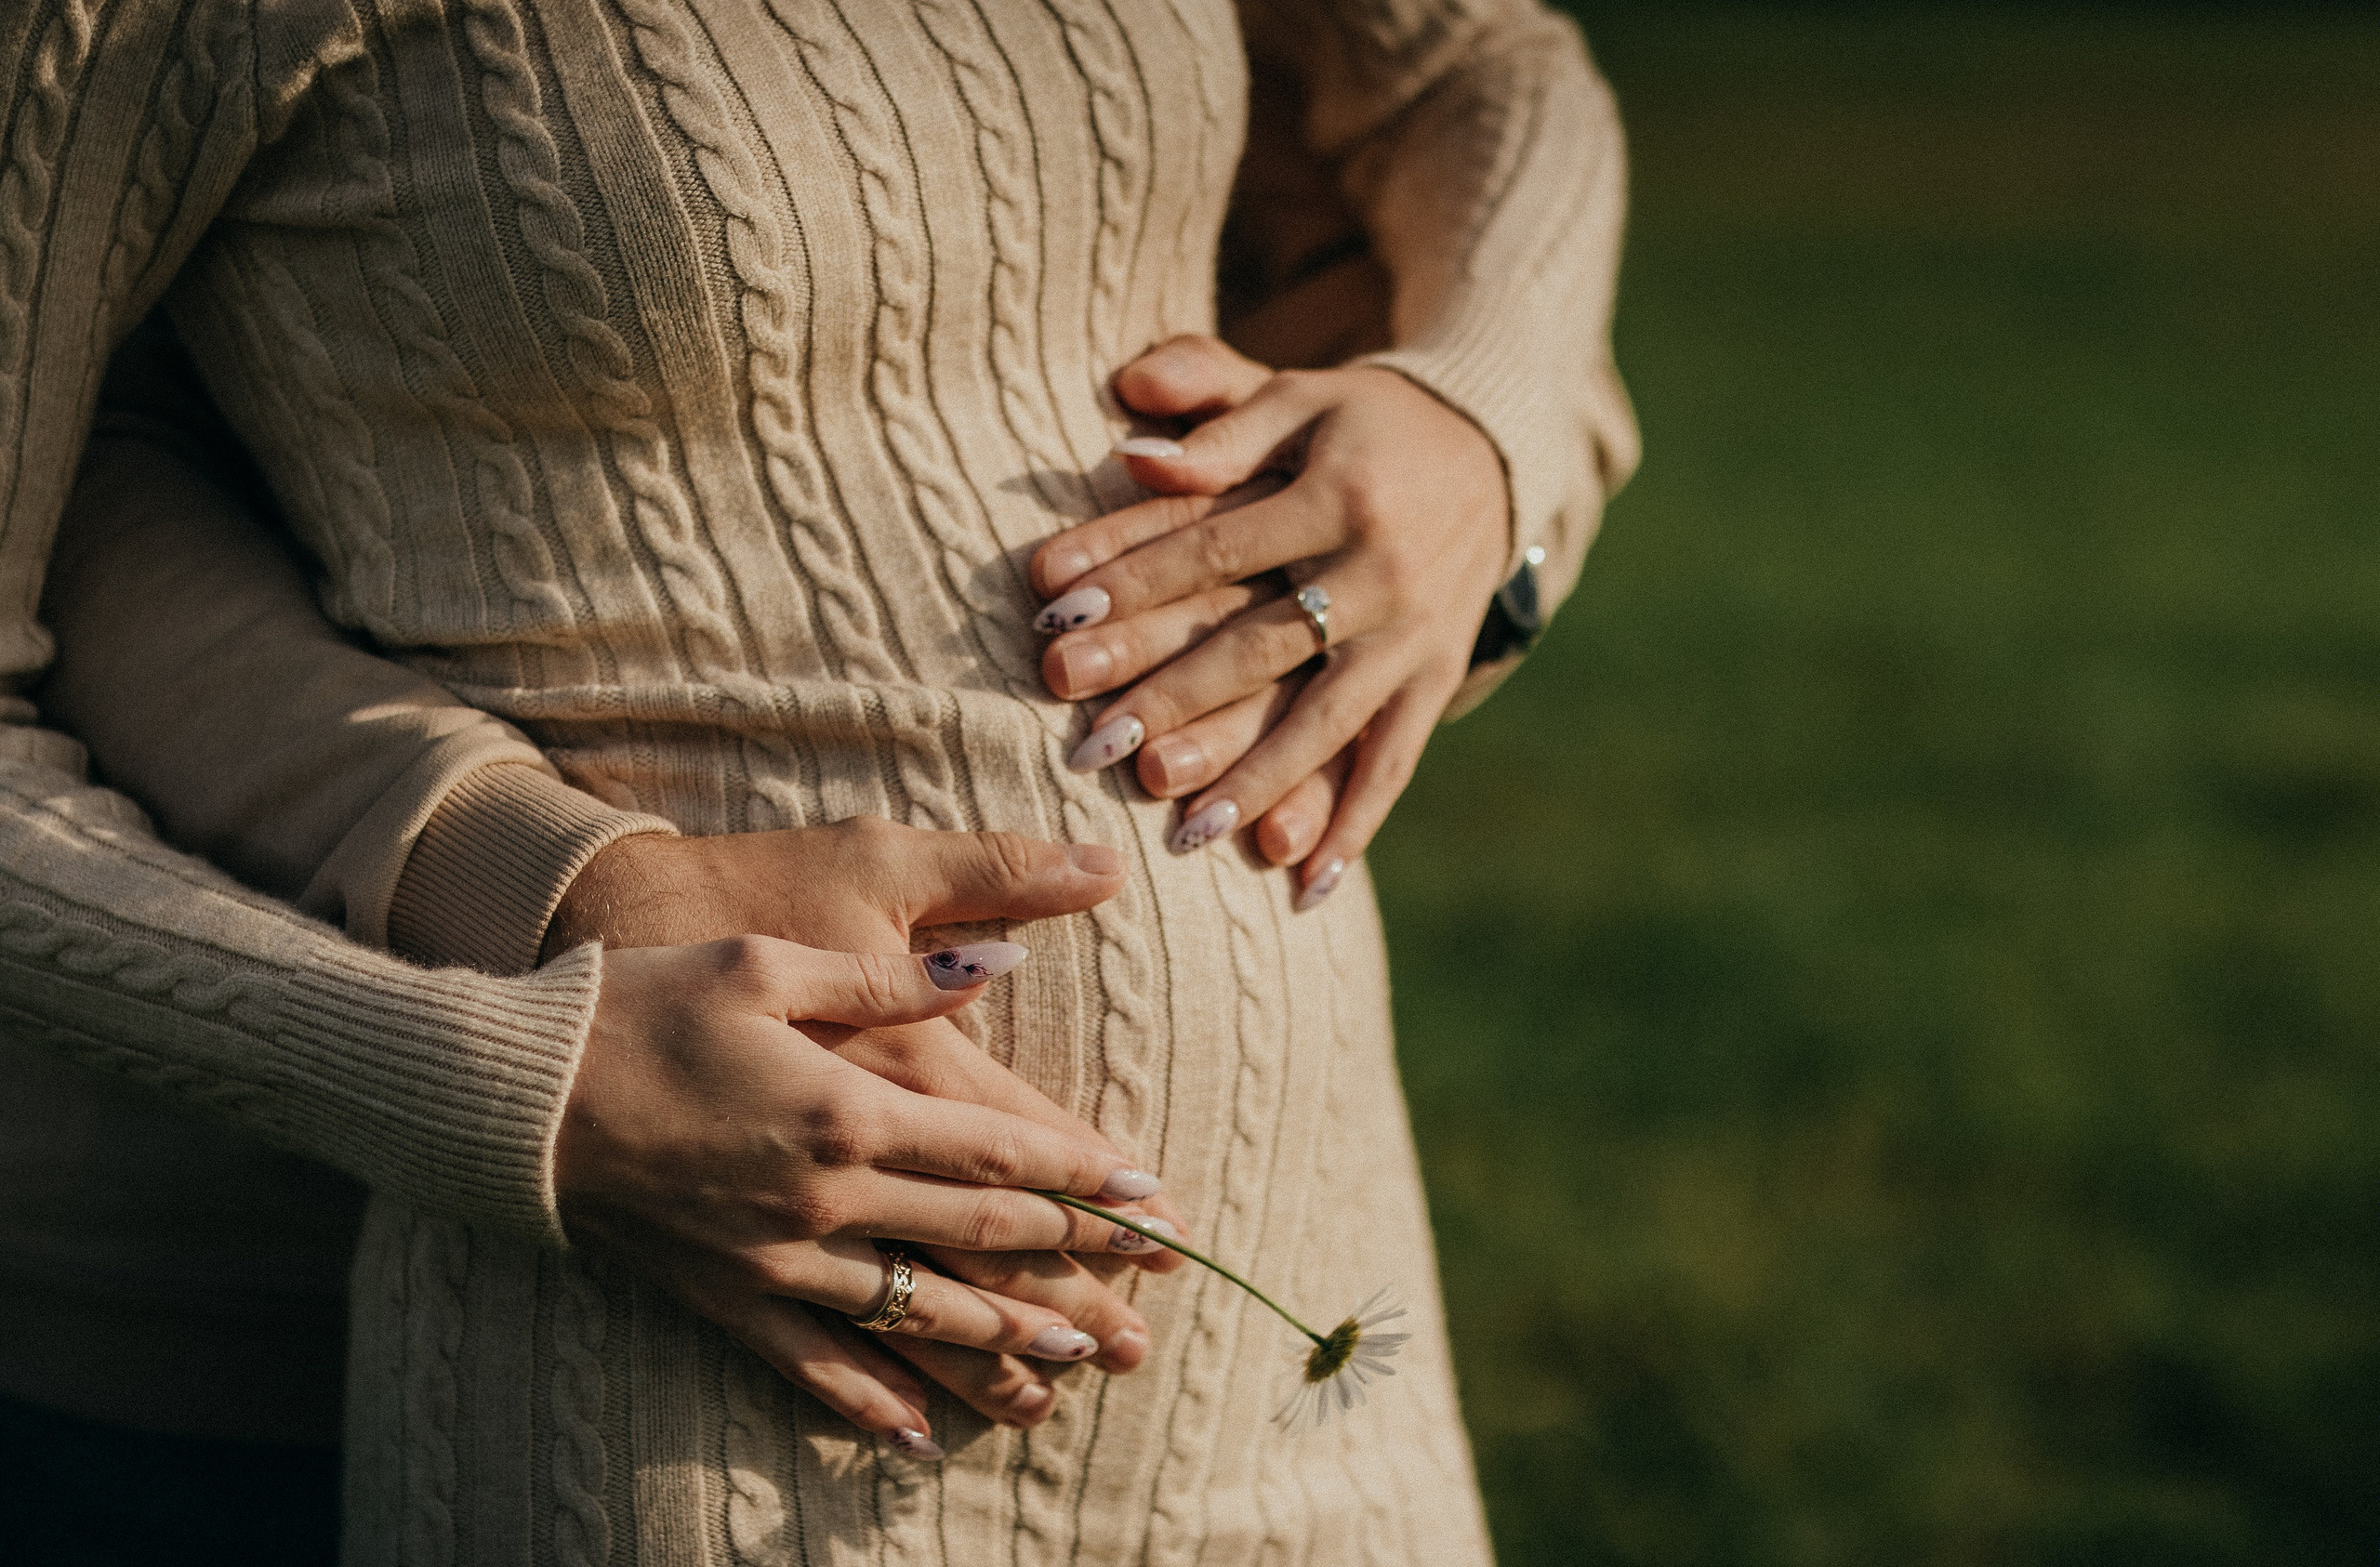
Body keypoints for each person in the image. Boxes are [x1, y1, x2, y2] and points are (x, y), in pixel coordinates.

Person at [0, 0, 1637, 1560]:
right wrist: (507, 1074)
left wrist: (1482, 418)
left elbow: (1473, 63)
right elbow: (99, 491)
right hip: (704, 1391)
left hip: (1306, 1304)